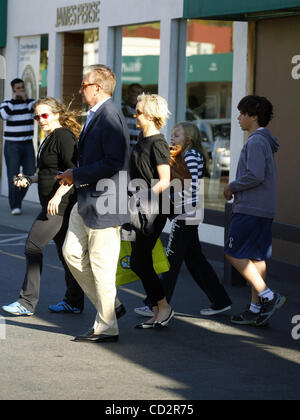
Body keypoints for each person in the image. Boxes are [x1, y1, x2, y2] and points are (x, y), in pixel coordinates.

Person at [57, 65, 130, 343]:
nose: (80, 89)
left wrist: (76, 174)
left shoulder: (110, 115)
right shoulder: (98, 114)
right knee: (71, 253)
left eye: (84, 85)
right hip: (89, 198)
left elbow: (113, 161)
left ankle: (106, 326)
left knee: (101, 265)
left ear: (97, 88)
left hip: (104, 201)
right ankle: (111, 307)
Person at [134, 122, 232, 318]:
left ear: (188, 140)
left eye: (176, 135)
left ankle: (156, 303)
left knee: (171, 261)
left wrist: (169, 198)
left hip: (185, 214)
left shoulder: (192, 156)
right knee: (195, 261)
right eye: (172, 134)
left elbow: (188, 184)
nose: (172, 138)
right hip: (185, 214)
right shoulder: (182, 156)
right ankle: (220, 300)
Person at [1, 97, 84, 316]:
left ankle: (26, 302)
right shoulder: (49, 138)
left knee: (32, 246)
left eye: (44, 115)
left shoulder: (64, 136)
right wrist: (29, 179)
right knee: (66, 254)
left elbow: (72, 171)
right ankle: (74, 301)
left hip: (60, 204)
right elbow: (49, 173)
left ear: (57, 114)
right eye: (37, 116)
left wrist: (57, 196)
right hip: (52, 203)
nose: (40, 120)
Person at [223, 95, 286, 326]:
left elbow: (255, 175)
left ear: (254, 116)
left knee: (233, 252)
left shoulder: (256, 142)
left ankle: (268, 296)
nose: (238, 118)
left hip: (250, 208)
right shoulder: (263, 141)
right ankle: (255, 309)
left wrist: (232, 186)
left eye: (242, 114)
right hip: (263, 209)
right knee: (257, 258)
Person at [130, 93, 174, 329]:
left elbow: (165, 180)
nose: (134, 115)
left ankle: (163, 306)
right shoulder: (141, 138)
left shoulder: (158, 143)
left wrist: (144, 198)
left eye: (138, 112)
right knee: (139, 261)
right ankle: (158, 308)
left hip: (154, 208)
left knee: (139, 260)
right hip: (140, 206)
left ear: (150, 115)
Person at [0, 78, 36, 215]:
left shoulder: (31, 102)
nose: (20, 90)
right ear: (13, 90)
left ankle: (17, 199)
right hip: (12, 145)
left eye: (22, 87)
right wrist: (14, 100)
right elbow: (3, 115)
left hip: (27, 144)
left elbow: (35, 112)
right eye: (18, 88)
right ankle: (15, 206)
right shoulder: (7, 103)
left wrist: (26, 100)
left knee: (30, 172)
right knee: (13, 175)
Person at [122, 83, 143, 150]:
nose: (135, 95)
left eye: (138, 93)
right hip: (123, 145)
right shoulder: (120, 105)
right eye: (133, 92)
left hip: (137, 146)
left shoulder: (143, 110)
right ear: (128, 93)